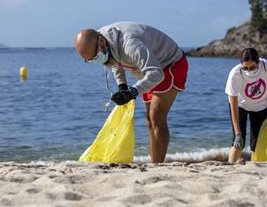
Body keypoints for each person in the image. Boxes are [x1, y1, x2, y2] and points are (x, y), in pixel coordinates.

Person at [74, 22, 188, 163]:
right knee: (149, 120)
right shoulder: (100, 44)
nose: (95, 60)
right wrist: (122, 86)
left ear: (102, 41)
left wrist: (132, 92)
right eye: (90, 60)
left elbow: (156, 73)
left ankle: (158, 165)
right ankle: (155, 163)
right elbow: (113, 61)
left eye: (95, 57)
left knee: (156, 115)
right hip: (146, 70)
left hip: (169, 64)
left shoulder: (130, 43)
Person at [225, 47, 267, 163]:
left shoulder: (266, 66)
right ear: (241, 64)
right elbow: (232, 102)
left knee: (257, 143)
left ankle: (255, 168)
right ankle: (230, 167)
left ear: (258, 62)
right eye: (245, 68)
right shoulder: (235, 73)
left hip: (260, 107)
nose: (249, 71)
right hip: (240, 107)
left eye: (252, 67)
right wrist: (238, 133)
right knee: (238, 142)